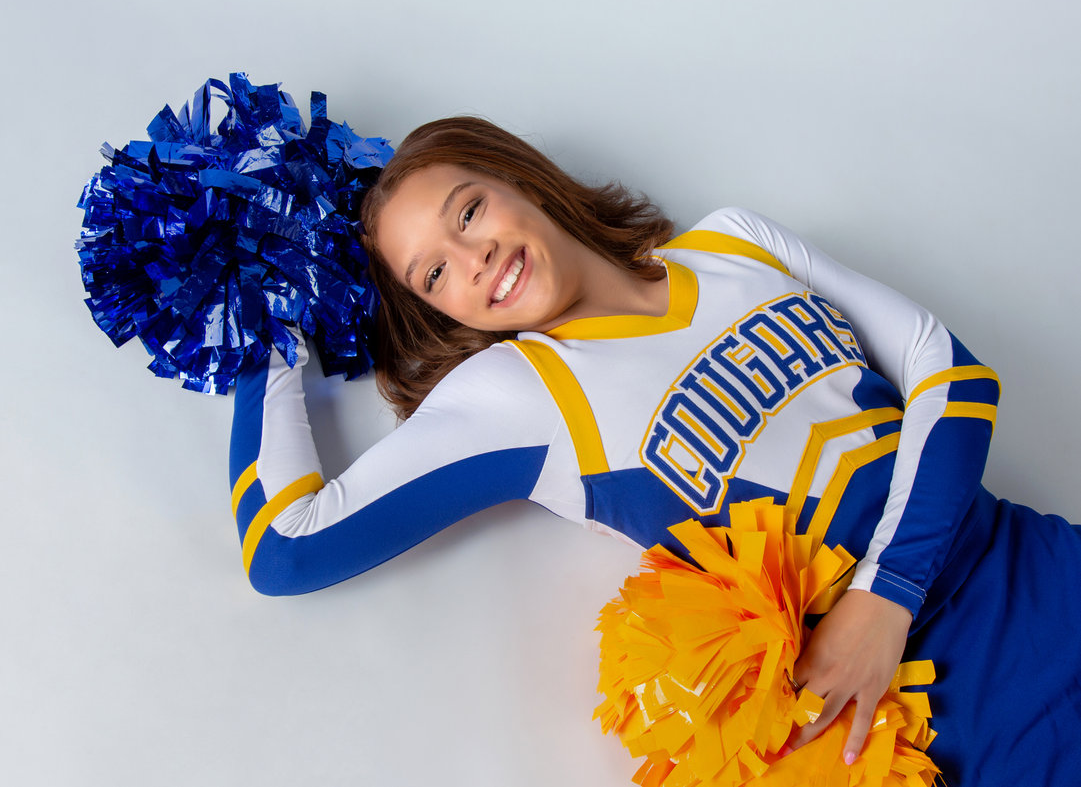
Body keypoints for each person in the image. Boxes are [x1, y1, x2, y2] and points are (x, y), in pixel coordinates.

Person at [229, 116, 1081, 786]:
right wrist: (261, 325)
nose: (474, 254)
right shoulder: (520, 398)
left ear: (519, 178)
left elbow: (953, 373)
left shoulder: (735, 242)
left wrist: (885, 593)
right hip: (947, 708)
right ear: (441, 311)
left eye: (468, 209)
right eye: (434, 273)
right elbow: (287, 544)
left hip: (1046, 571)